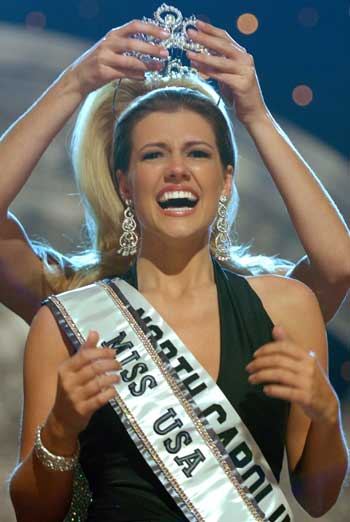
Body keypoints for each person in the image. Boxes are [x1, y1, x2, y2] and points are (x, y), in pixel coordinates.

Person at [5, 8, 349, 522]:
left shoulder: (281, 308)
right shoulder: (70, 313)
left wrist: (255, 113)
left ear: (227, 179)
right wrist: (76, 82)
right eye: (152, 156)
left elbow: (338, 265)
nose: (176, 171)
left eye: (198, 153)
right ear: (124, 182)